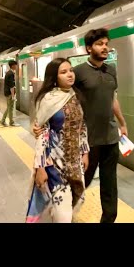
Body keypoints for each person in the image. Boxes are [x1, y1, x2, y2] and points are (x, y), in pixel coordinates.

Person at [34, 28, 128, 223]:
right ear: (88, 48)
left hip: (110, 136)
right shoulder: (78, 73)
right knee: (79, 184)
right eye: (100, 44)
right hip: (87, 142)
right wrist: (41, 126)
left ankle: (108, 219)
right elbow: (63, 100)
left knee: (110, 184)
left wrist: (122, 123)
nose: (105, 47)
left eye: (106, 43)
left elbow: (113, 99)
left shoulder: (111, 70)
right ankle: (67, 215)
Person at [26, 58, 89, 223]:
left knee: (78, 200)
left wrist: (85, 152)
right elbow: (42, 135)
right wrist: (39, 167)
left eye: (71, 70)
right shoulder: (48, 99)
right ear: (54, 77)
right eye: (63, 72)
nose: (70, 75)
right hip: (54, 164)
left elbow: (82, 127)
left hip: (75, 163)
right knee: (63, 213)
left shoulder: (76, 96)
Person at [0, 61, 20, 127]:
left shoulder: (9, 73)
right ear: (12, 66)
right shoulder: (11, 74)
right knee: (10, 108)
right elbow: (11, 86)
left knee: (9, 107)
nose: (16, 66)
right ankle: (10, 122)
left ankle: (4, 121)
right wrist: (13, 95)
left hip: (7, 93)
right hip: (9, 93)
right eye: (15, 65)